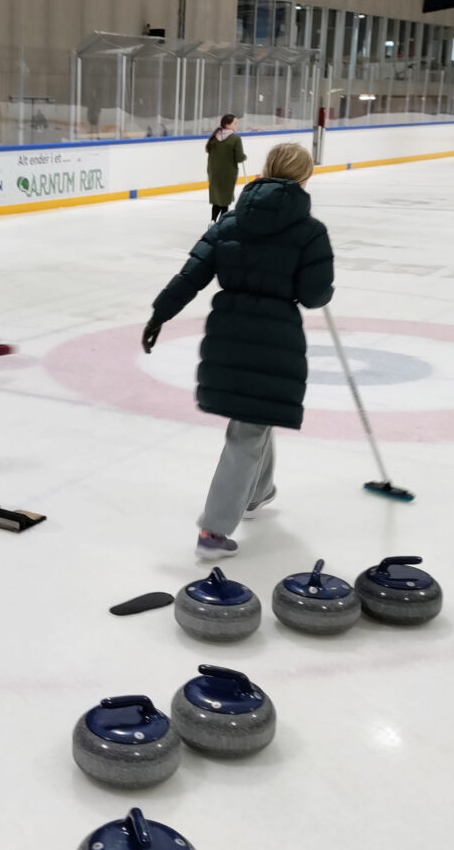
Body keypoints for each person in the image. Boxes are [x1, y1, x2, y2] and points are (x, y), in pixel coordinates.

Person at [142, 142, 334, 561]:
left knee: (256, 418)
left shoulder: (230, 221)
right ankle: (212, 532)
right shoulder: (310, 231)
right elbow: (313, 294)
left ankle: (257, 493)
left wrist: (160, 313)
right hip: (274, 338)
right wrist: (324, 287)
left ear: (266, 169)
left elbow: (192, 274)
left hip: (228, 331)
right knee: (248, 430)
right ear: (305, 176)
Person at [205, 113, 246, 224]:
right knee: (225, 201)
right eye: (235, 124)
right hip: (228, 174)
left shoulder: (214, 137)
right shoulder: (235, 139)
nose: (236, 126)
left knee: (217, 200)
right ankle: (221, 225)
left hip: (214, 173)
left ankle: (213, 221)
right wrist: (243, 157)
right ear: (227, 125)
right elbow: (239, 158)